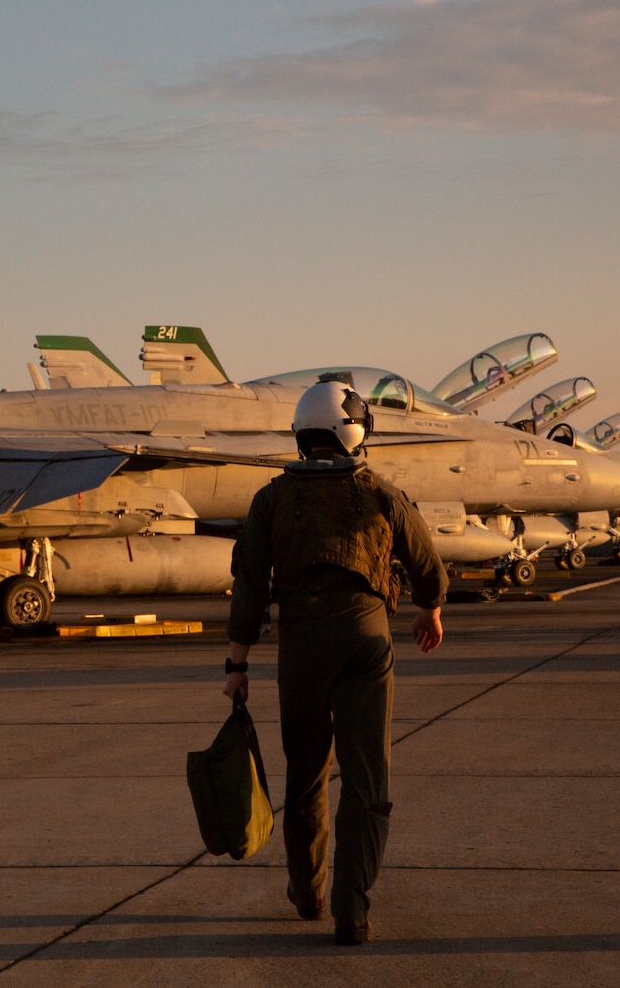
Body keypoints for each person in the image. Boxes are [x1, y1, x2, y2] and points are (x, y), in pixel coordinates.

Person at [222, 378, 447, 946]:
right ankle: (353, 911)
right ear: (356, 430)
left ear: (303, 434)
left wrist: (237, 664)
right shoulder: (380, 493)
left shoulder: (271, 498)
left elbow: (248, 582)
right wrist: (431, 611)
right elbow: (428, 567)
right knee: (367, 779)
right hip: (365, 642)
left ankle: (309, 891)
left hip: (300, 646)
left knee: (306, 775)